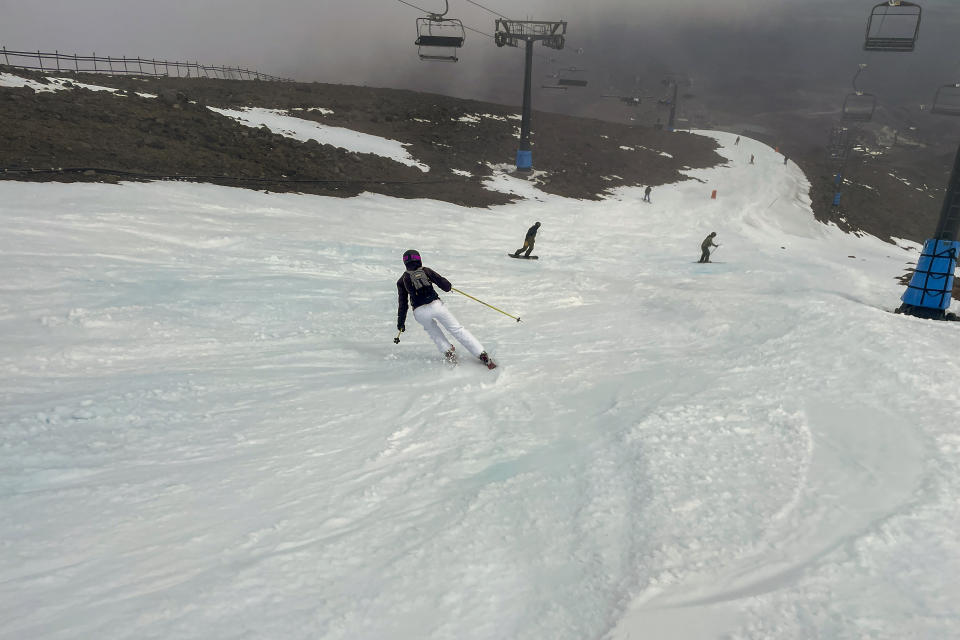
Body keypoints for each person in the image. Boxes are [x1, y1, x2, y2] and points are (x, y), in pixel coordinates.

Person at [396, 249, 494, 367]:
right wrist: (449, 286)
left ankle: (448, 352)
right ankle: (481, 353)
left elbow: (403, 304)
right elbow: (445, 286)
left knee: (432, 331)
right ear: (419, 259)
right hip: (436, 306)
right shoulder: (426, 271)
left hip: (419, 312)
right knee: (457, 329)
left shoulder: (402, 280)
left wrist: (401, 323)